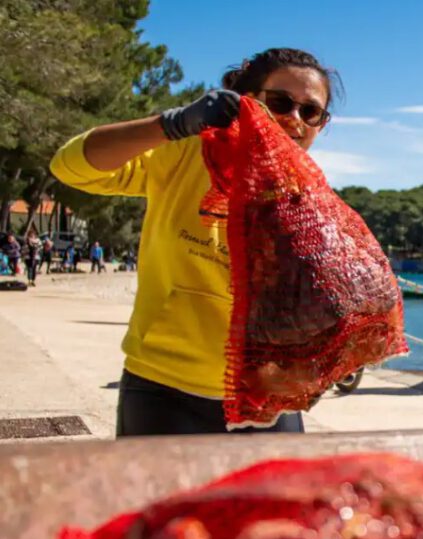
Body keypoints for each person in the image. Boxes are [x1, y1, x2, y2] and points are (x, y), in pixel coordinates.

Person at [50, 47, 341, 436]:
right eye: (280, 102)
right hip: (166, 390)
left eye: (311, 112)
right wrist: (173, 124)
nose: (295, 119)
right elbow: (71, 167)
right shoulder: (187, 151)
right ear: (247, 100)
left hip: (271, 401)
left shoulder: (310, 196)